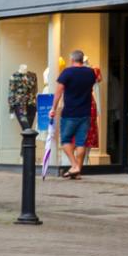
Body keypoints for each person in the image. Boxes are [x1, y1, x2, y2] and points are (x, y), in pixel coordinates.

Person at [51, 49, 99, 180]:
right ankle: (77, 171)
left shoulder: (67, 72)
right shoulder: (90, 73)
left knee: (65, 140)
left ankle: (74, 165)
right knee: (80, 143)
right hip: (86, 113)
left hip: (70, 113)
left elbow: (58, 92)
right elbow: (96, 81)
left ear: (72, 59)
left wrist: (53, 108)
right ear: (82, 59)